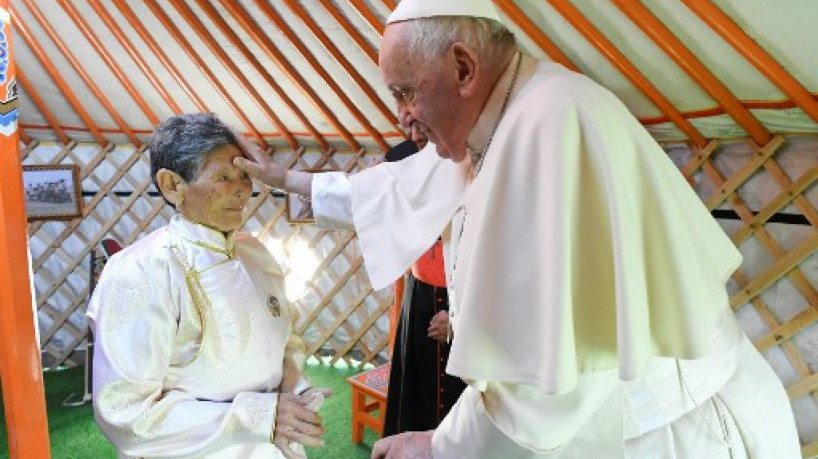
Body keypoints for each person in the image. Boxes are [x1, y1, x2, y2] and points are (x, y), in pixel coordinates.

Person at [234, 1, 801, 457]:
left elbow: (545, 384)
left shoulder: (552, 123)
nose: (400, 116)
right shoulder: (500, 115)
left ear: (462, 67)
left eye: (405, 91)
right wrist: (286, 178)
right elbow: (400, 185)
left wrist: (439, 446)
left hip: (675, 434)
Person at [86, 113, 330, 459]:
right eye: (223, 177)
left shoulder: (255, 253)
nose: (242, 189)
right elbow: (126, 414)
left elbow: (284, 338)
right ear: (172, 185)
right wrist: (259, 416)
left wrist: (296, 390)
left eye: (245, 175)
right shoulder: (140, 271)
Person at [381, 139, 467, 437]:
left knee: (455, 399)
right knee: (416, 392)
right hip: (418, 300)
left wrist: (456, 316)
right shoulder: (403, 157)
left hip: (462, 300)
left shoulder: (466, 177)